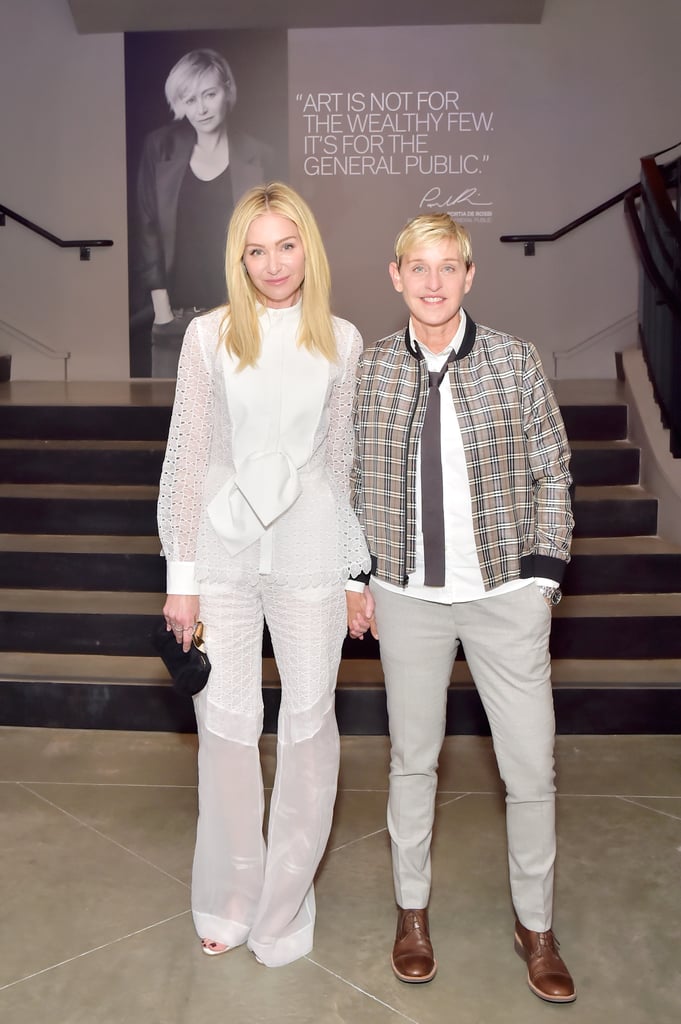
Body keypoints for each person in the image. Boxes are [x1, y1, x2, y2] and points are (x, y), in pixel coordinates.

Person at [346, 213, 576, 1003]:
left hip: (505, 599)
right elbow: (350, 486)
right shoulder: (371, 371)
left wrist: (541, 580)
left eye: (449, 267)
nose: (434, 282)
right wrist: (357, 578)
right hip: (407, 600)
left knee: (529, 771)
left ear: (469, 276)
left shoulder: (513, 362)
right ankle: (411, 914)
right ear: (396, 275)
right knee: (412, 762)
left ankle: (535, 926)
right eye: (419, 267)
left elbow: (553, 470)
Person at [158, 182, 370, 966]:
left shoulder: (342, 341)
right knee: (226, 727)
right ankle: (231, 895)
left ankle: (283, 903)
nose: (273, 263)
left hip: (311, 549)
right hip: (222, 550)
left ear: (307, 249)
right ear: (238, 259)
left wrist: (355, 571)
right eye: (256, 249)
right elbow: (188, 460)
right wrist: (181, 576)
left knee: (309, 728)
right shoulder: (208, 337)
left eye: (286, 245)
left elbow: (340, 465)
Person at [136, 48, 273, 377]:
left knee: (239, 423)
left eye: (209, 94)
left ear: (227, 90)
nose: (200, 108)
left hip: (242, 316)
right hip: (176, 318)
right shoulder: (159, 148)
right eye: (189, 98)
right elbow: (146, 226)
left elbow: (270, 235)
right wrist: (162, 312)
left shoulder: (260, 155)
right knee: (170, 424)